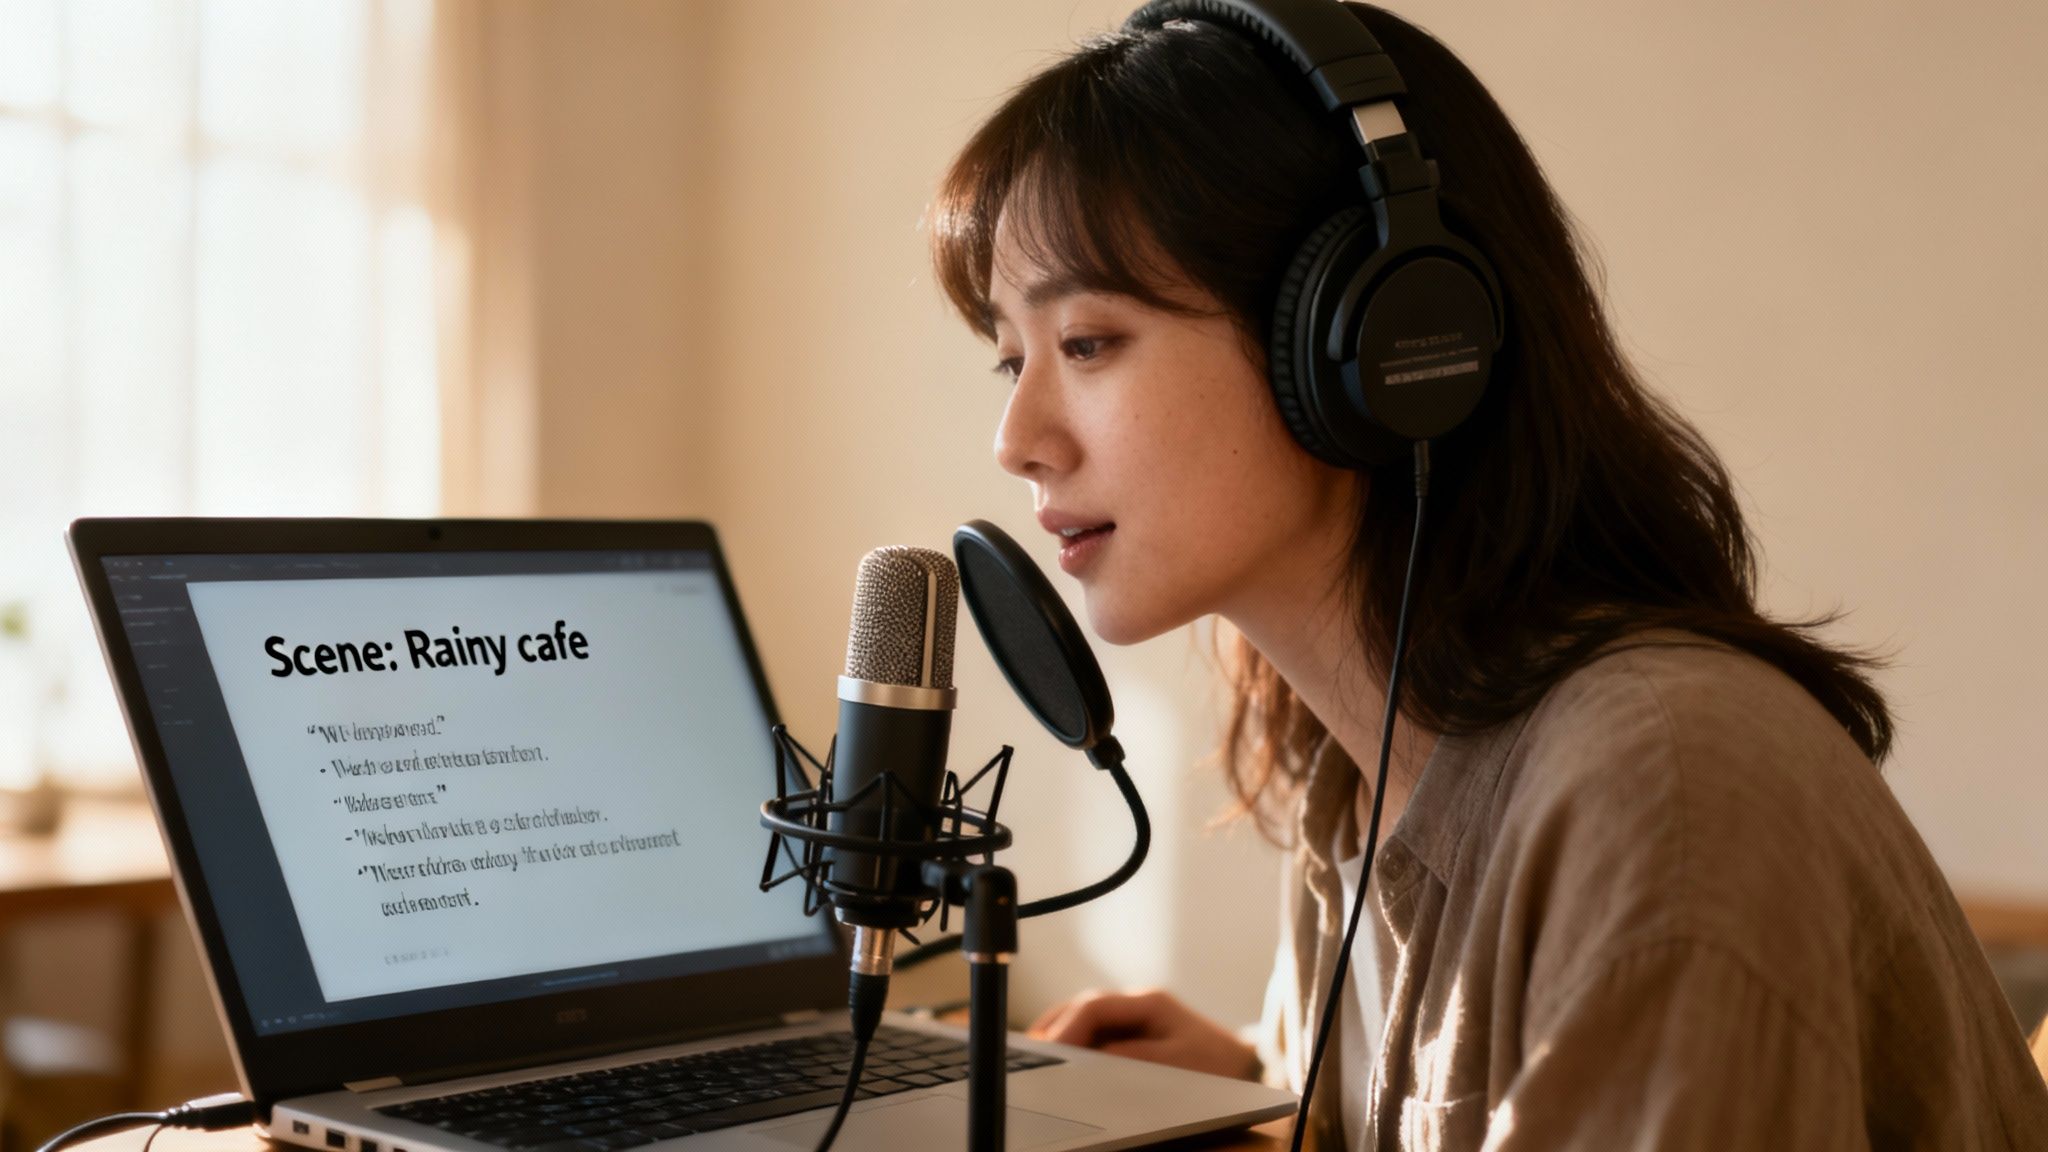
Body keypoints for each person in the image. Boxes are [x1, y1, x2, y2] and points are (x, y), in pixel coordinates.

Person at [924, 2, 2048, 1148]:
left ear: (1371, 340)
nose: (1016, 437)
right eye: (1009, 359)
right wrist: (1278, 1097)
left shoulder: (1661, 790)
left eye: (1087, 343)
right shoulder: (1354, 771)